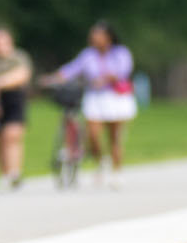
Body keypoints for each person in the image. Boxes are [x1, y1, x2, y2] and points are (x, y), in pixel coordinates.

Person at [53, 21, 136, 185]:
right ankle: (101, 161)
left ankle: (117, 170)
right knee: (92, 134)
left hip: (115, 97)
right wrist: (56, 77)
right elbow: (73, 69)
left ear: (108, 37)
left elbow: (123, 70)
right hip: (95, 97)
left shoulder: (120, 53)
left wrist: (105, 78)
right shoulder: (88, 54)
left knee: (114, 137)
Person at [0, 26, 35, 187]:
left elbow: (22, 75)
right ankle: (4, 173)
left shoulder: (18, 57)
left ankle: (15, 172)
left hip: (14, 99)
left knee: (12, 136)